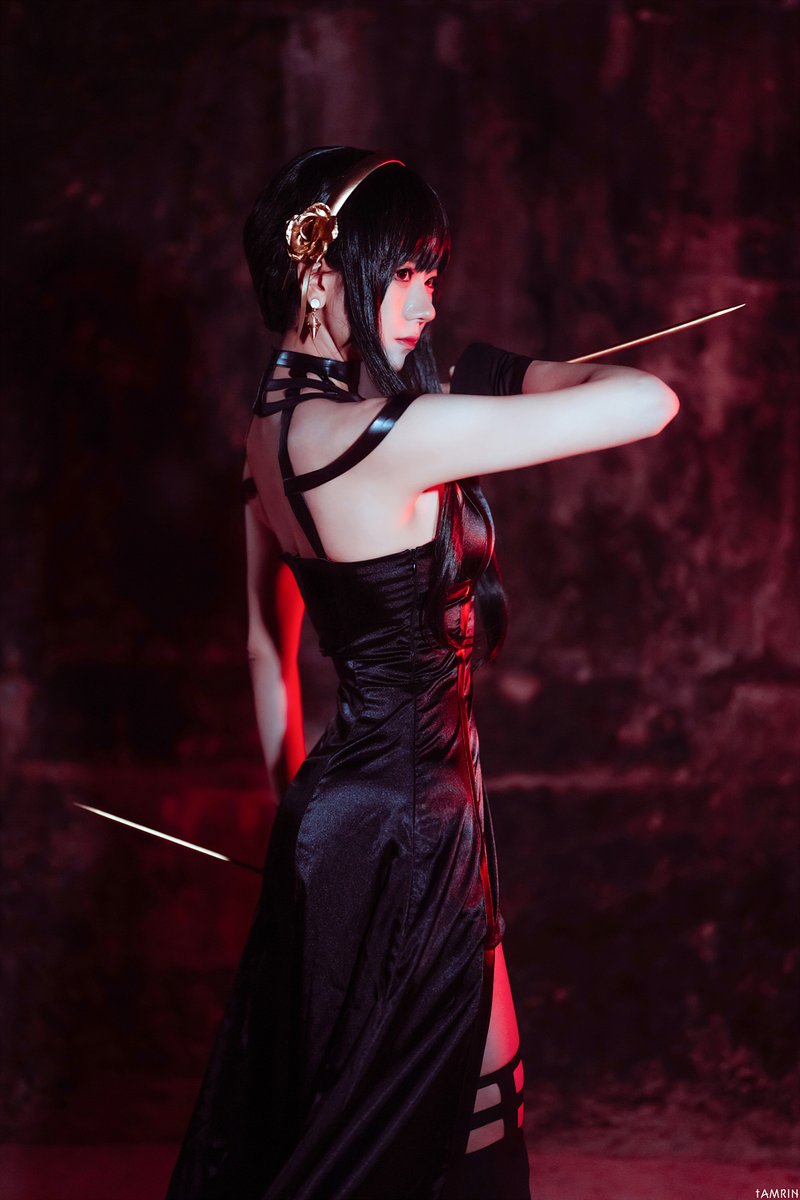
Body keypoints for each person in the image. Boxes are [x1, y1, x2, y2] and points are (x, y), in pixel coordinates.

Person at [165, 146, 679, 1200]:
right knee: (454, 1113)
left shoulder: (266, 437)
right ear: (322, 275)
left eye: (431, 274)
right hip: (411, 819)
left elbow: (266, 651)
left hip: (351, 814)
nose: (427, 303)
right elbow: (650, 399)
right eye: (405, 271)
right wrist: (510, 371)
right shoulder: (388, 437)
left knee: (403, 1104)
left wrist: (303, 841)